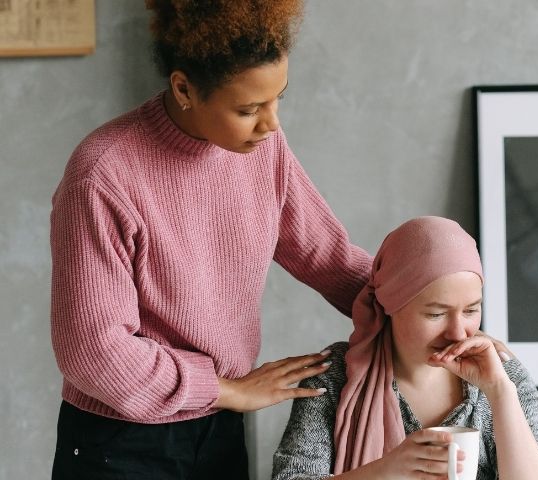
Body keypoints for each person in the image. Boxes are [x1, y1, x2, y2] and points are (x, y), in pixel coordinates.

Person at [49, 1, 372, 478]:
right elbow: (93, 350)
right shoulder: (103, 175)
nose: (272, 124)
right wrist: (229, 390)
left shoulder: (262, 149)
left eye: (278, 97)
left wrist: (435, 313)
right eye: (248, 109)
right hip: (118, 440)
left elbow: (329, 257)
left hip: (219, 426)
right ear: (184, 88)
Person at [273, 216, 538, 479]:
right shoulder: (333, 377)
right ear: (390, 304)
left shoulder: (503, 373)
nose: (458, 331)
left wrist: (500, 391)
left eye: (471, 310)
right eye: (436, 314)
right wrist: (385, 471)